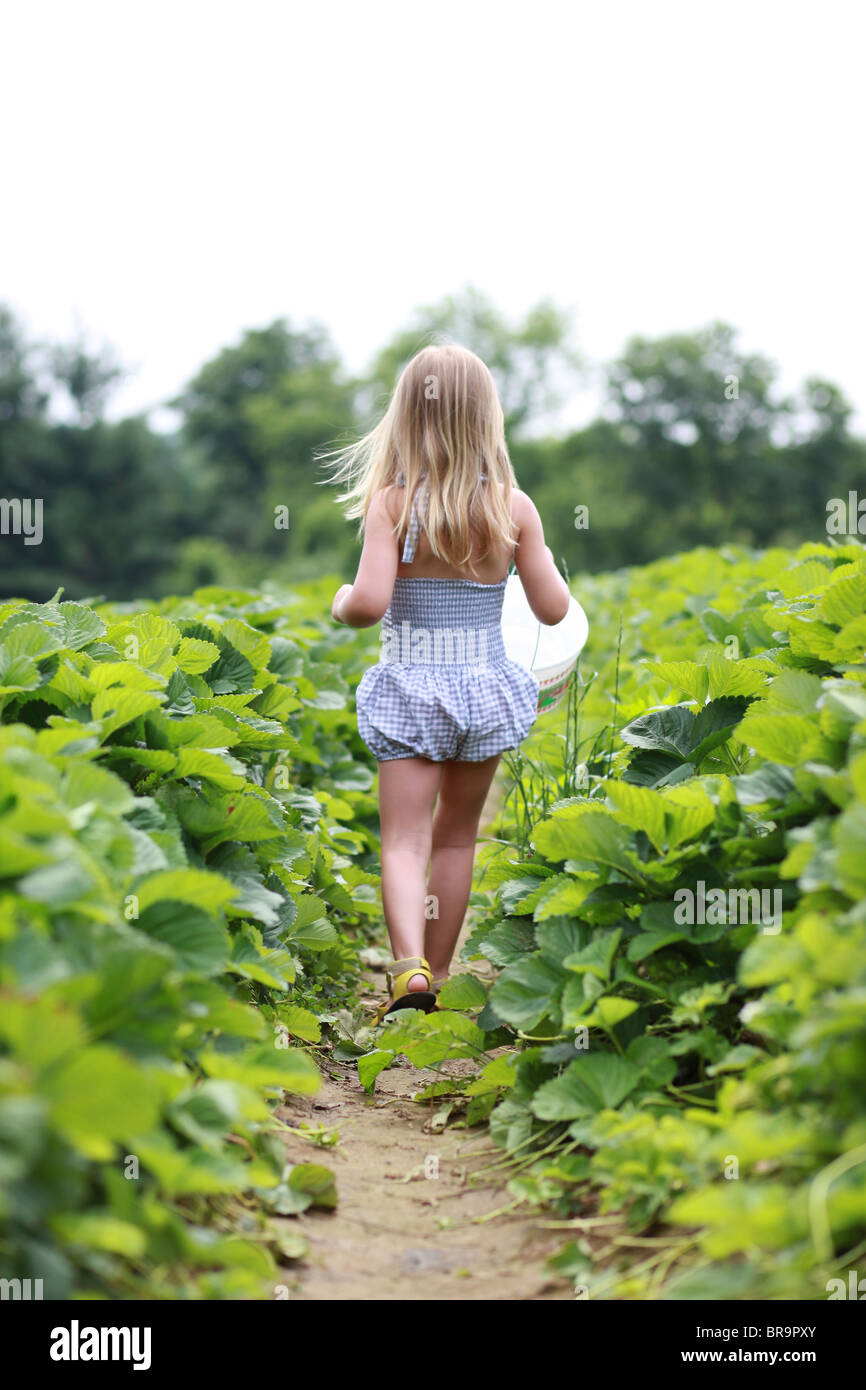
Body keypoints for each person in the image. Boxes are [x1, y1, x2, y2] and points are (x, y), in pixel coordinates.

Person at [322, 343, 570, 1022]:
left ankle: (408, 974)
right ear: (486, 418)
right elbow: (553, 610)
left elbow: (368, 605)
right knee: (458, 836)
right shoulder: (513, 510)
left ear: (407, 417)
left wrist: (343, 600)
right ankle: (445, 968)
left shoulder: (392, 506)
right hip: (483, 692)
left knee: (405, 838)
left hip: (411, 694)